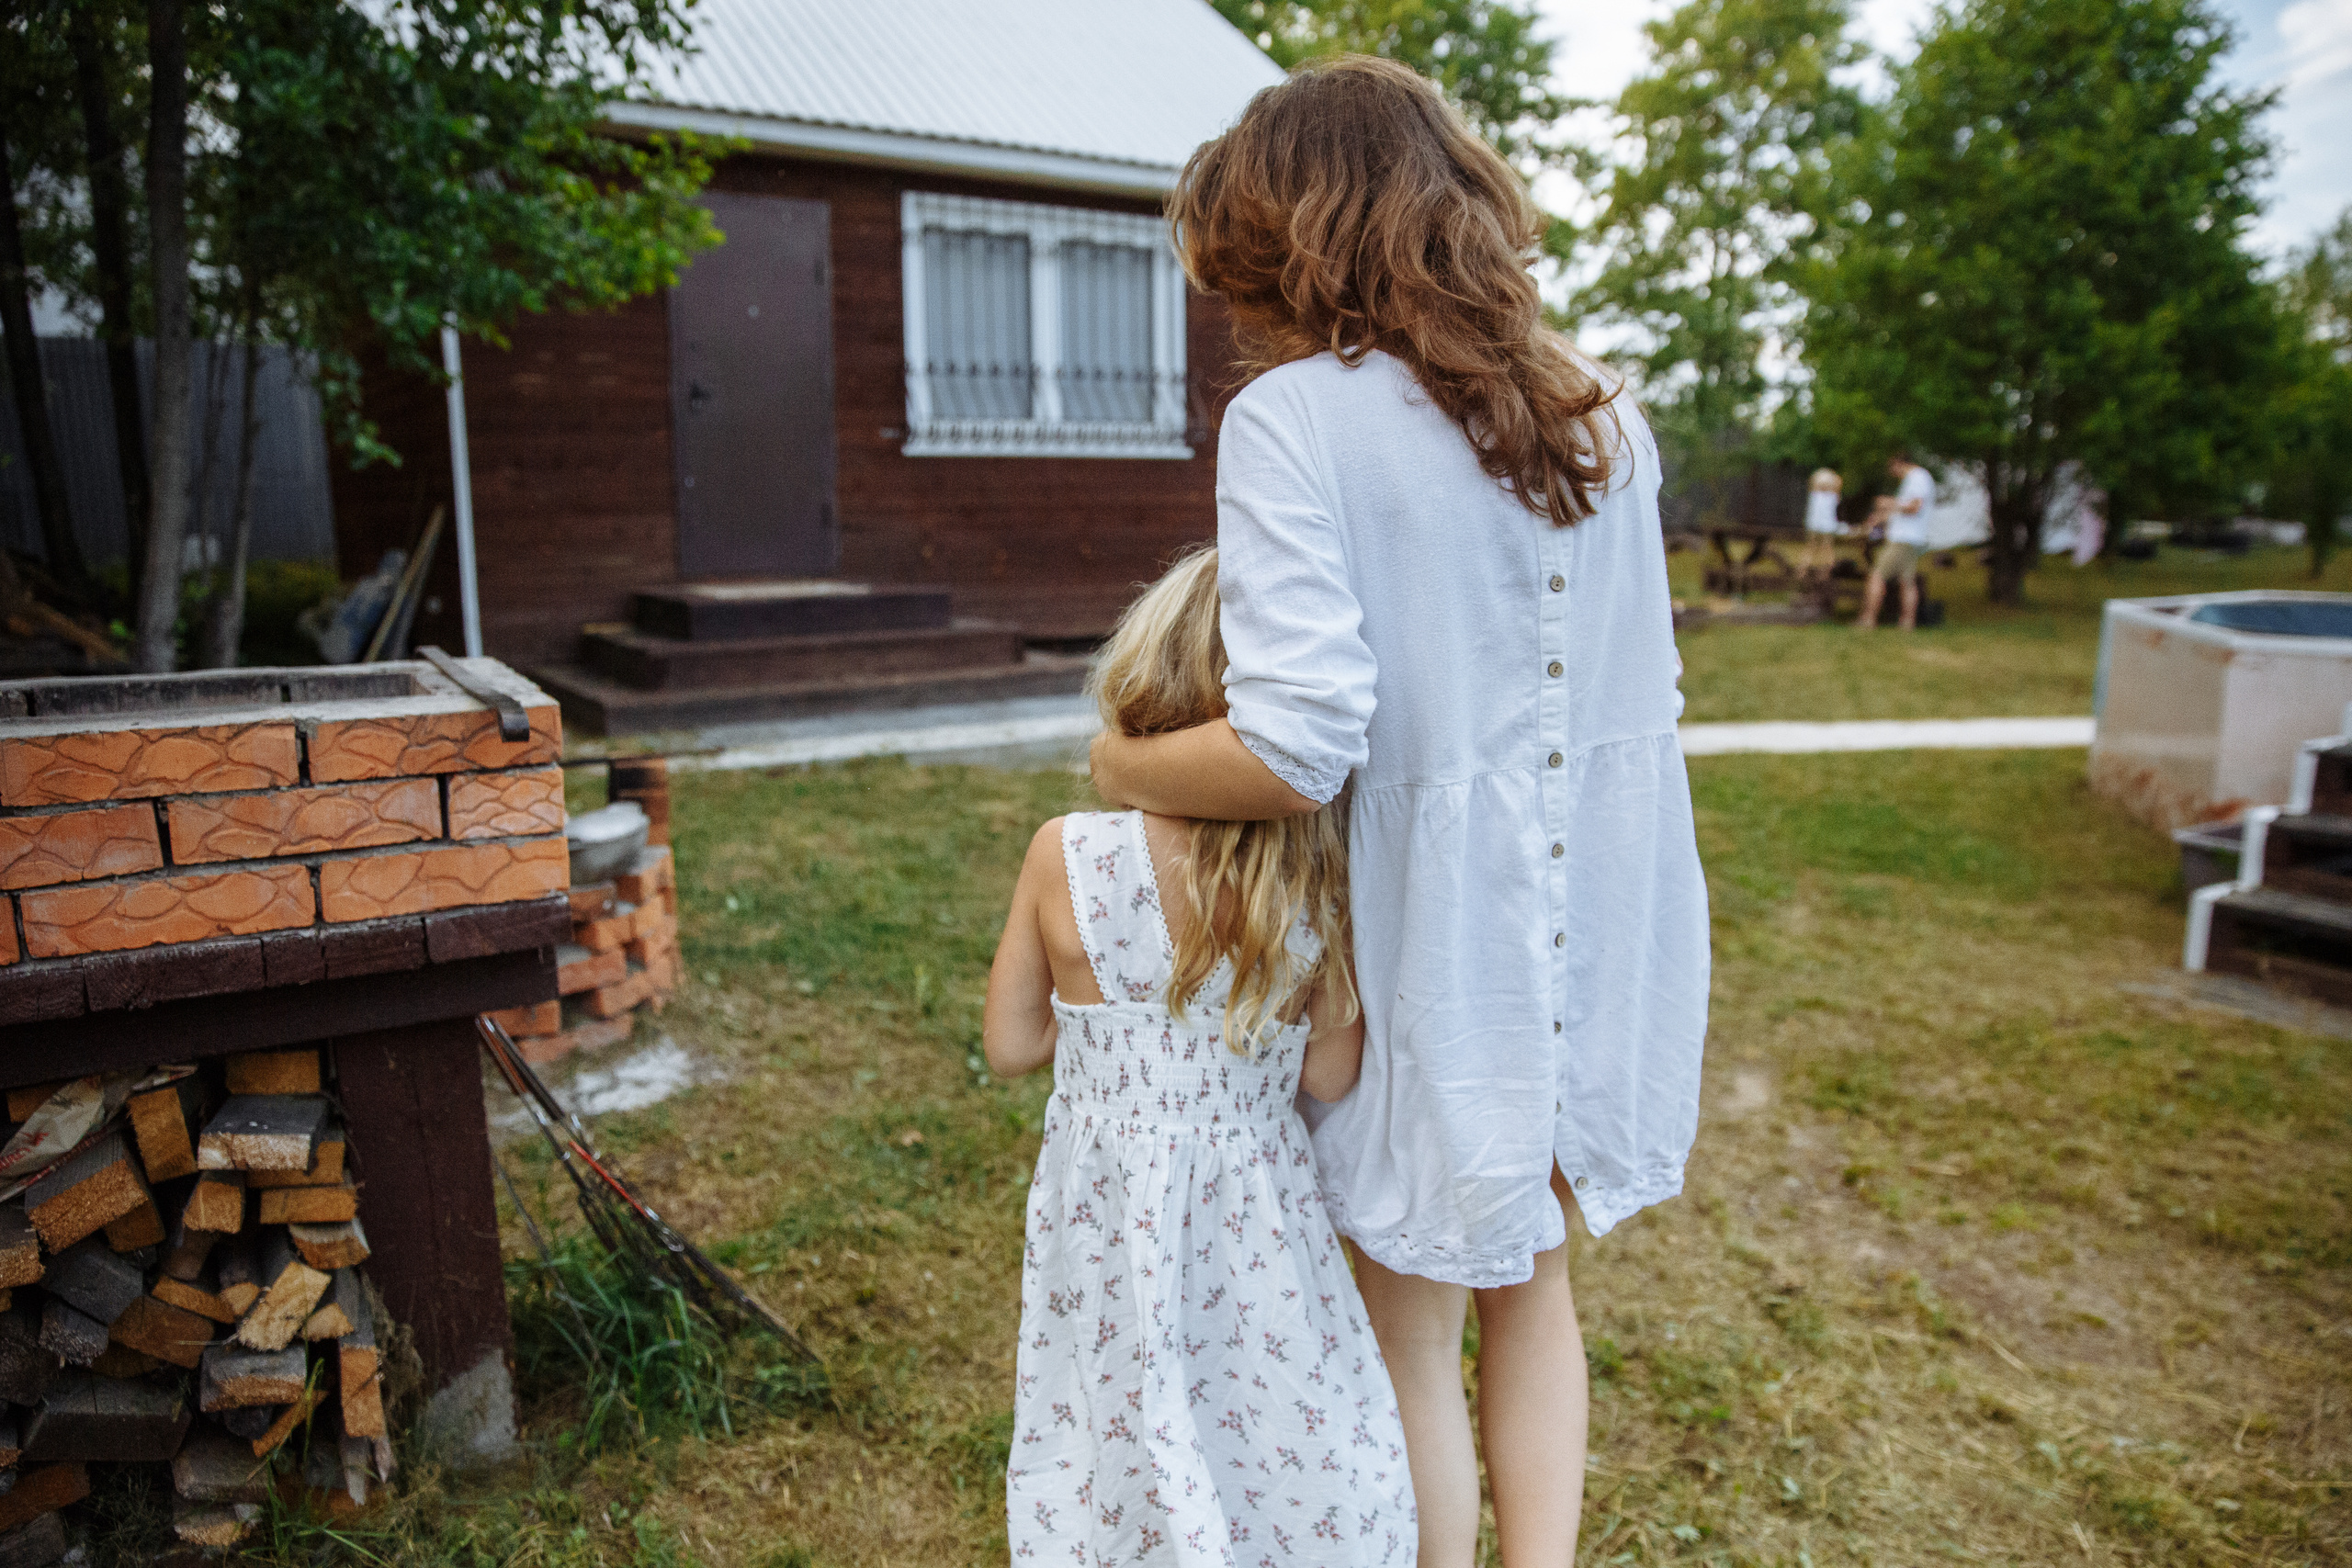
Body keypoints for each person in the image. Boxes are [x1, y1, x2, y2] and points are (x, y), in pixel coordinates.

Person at [1089, 57, 1710, 1568]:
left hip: (1438, 935)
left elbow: (1298, 745)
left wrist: (1122, 764)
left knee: (1415, 1322)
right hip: (1607, 924)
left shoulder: (1297, 416)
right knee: (1536, 1279)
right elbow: (1649, 695)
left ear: (1290, 230)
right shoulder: (1601, 416)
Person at [983, 547, 1417, 1568]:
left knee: (1124, 1408)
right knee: (1263, 1407)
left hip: (1107, 1208)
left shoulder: (1065, 853)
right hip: (1256, 1210)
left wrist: (1093, 1028)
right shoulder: (1313, 882)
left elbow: (1010, 1046)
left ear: (1146, 678)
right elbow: (1328, 1077)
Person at [1860, 450, 1936, 631]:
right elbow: (1904, 509)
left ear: (1898, 463)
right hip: (1911, 538)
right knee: (1906, 581)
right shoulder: (1914, 479)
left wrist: (1889, 503)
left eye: (1891, 466)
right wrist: (1881, 517)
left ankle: (1868, 619)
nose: (1891, 472)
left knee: (1877, 576)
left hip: (1903, 539)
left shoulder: (1918, 477)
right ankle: (1907, 622)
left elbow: (1914, 507)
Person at [1801, 467, 1845, 581]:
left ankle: (1826, 571)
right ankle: (1804, 569)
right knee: (1812, 546)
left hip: (1825, 524)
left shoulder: (1831, 496)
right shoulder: (1817, 494)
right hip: (1817, 524)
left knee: (1826, 547)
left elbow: (1837, 483)